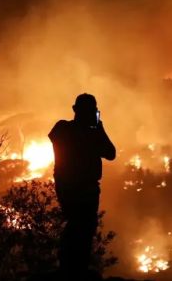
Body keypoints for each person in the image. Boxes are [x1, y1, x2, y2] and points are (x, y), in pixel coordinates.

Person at [48, 93, 116, 280]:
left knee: (83, 227)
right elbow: (110, 153)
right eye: (91, 111)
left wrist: (96, 129)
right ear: (78, 111)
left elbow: (111, 154)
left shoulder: (67, 130)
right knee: (80, 226)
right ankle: (72, 269)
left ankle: (74, 268)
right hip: (76, 187)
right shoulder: (67, 129)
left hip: (78, 186)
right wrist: (98, 129)